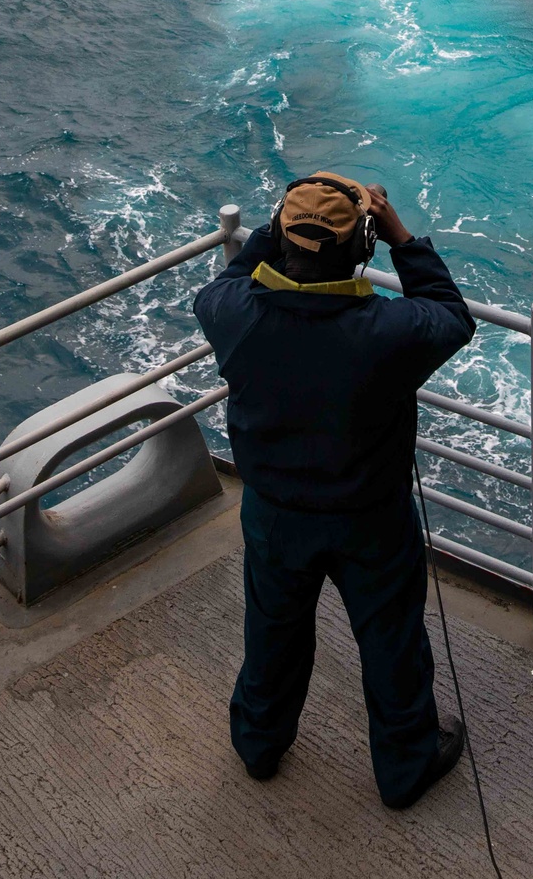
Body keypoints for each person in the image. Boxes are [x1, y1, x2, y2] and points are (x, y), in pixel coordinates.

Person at [193, 171, 476, 809]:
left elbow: (235, 276)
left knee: (272, 632)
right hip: (370, 520)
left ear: (281, 237)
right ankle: (404, 768)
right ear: (362, 251)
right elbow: (451, 314)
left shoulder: (231, 315)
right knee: (391, 641)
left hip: (274, 517)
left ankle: (259, 745)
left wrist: (288, 218)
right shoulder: (387, 332)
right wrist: (399, 230)